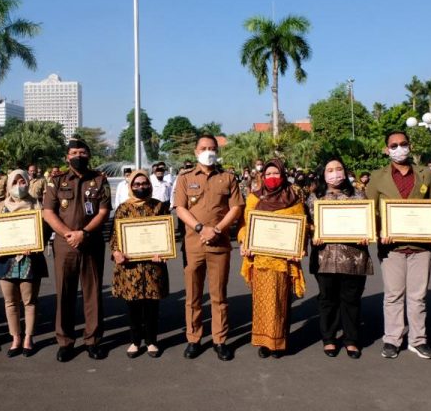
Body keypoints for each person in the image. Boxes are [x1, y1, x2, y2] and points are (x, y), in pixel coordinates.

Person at [366, 130, 431, 360]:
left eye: (403, 143)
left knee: (418, 296)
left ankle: (418, 340)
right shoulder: (377, 177)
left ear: (410, 146)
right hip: (391, 247)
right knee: (393, 295)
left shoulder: (425, 174)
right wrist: (379, 231)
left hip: (421, 246)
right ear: (386, 150)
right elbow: (371, 210)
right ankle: (392, 339)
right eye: (394, 145)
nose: (399, 148)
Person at [174, 134, 244, 361]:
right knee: (193, 296)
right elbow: (180, 208)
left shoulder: (228, 177)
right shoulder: (185, 178)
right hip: (193, 245)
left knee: (219, 295)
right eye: (203, 148)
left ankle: (219, 339)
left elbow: (236, 208)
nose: (208, 151)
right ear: (196, 152)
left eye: (212, 148)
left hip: (219, 244)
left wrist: (217, 229)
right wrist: (200, 228)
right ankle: (193, 338)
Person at [42, 139, 111, 362]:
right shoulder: (56, 181)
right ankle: (65, 341)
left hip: (91, 242)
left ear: (89, 155)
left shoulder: (99, 180)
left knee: (92, 293)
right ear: (67, 157)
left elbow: (103, 212)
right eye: (73, 152)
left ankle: (93, 340)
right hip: (65, 245)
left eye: (82, 152)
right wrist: (68, 234)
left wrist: (84, 233)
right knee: (65, 293)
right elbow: (48, 212)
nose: (78, 156)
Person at [237, 159, 305, 359]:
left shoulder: (293, 197)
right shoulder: (254, 198)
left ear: (283, 174)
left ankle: (280, 342)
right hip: (261, 259)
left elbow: (302, 225)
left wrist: (298, 246)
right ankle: (265, 343)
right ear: (263, 176)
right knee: (263, 302)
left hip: (283, 260)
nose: (272, 177)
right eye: (268, 174)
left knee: (281, 302)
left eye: (276, 173)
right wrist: (244, 242)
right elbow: (244, 225)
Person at [307, 157, 373, 359]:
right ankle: (329, 338)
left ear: (344, 171)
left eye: (338, 169)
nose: (335, 173)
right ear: (323, 174)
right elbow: (308, 224)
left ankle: (351, 340)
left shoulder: (359, 195)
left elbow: (368, 222)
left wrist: (367, 234)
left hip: (353, 257)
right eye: (330, 170)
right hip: (325, 257)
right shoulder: (315, 198)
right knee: (327, 299)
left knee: (351, 299)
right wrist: (314, 233)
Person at [110, 170, 169, 358]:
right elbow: (114, 236)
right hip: (130, 267)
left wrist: (165, 251)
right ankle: (135, 341)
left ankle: (151, 341)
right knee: (133, 306)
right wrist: (116, 252)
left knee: (152, 306)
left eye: (144, 183)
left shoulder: (159, 206)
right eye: (136, 184)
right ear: (131, 186)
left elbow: (166, 234)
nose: (141, 187)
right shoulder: (123, 208)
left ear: (149, 185)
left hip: (153, 266)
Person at [0, 170, 49, 358]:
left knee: (29, 301)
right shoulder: (0, 207)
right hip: (5, 261)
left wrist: (36, 244)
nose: (18, 185)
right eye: (14, 182)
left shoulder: (37, 205)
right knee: (10, 302)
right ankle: (15, 337)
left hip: (30, 261)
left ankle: (28, 338)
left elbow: (45, 231)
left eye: (22, 181)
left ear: (28, 183)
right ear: (8, 185)